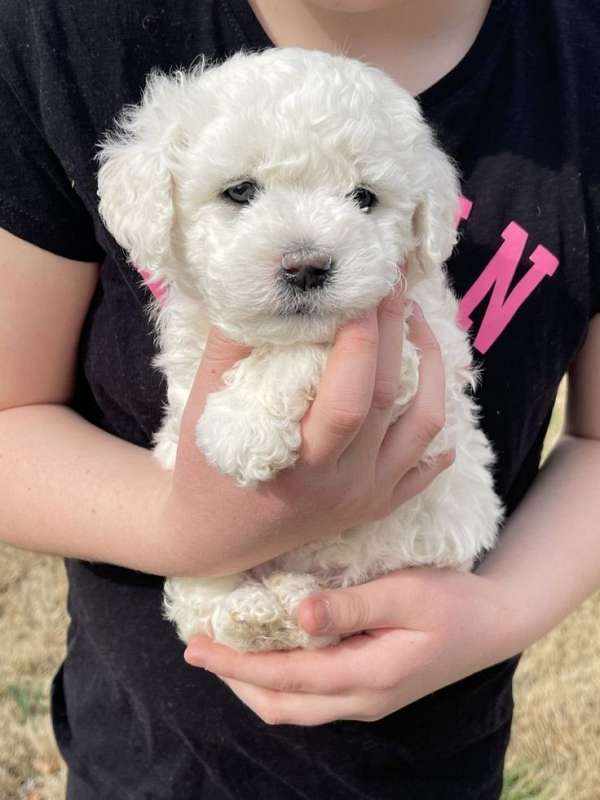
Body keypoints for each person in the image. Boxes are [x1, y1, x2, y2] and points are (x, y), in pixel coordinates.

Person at [1, 0, 599, 797]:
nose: (307, 255)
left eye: (363, 199)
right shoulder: (68, 31)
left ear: (422, 213)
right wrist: (190, 528)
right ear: (166, 198)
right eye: (240, 191)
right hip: (147, 755)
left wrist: (503, 611)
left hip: (433, 757)